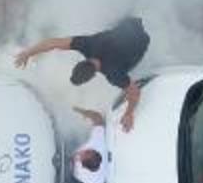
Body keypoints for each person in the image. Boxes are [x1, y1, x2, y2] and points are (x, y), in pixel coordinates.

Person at [13, 16, 151, 131]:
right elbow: (53, 43)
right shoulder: (87, 45)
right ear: (82, 61)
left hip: (142, 40)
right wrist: (28, 53)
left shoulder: (113, 74)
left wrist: (129, 113)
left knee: (128, 76)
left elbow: (135, 92)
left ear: (92, 77)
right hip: (130, 23)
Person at [64, 107, 107, 183]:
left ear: (84, 166)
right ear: (95, 152)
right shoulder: (98, 143)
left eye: (83, 155)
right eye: (87, 151)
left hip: (72, 179)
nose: (82, 152)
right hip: (70, 157)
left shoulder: (95, 182)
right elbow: (98, 118)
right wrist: (83, 112)